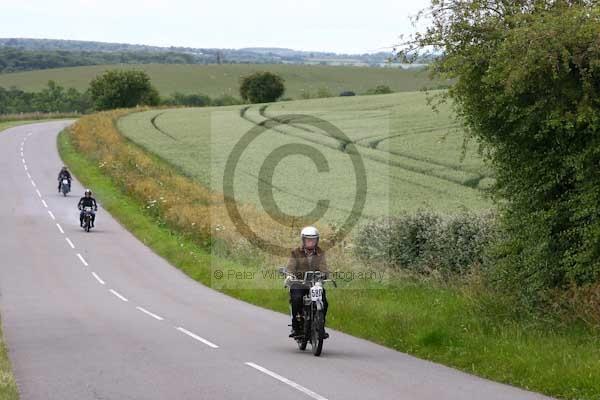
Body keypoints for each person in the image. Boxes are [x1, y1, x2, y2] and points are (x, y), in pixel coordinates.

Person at [286, 226, 329, 338]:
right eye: (308, 239)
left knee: (324, 301)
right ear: (303, 240)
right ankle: (296, 326)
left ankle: (320, 327)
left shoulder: (320, 253)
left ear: (317, 240)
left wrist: (324, 275)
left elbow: (324, 268)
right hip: (299, 283)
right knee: (296, 299)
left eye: (313, 239)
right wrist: (290, 275)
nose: (310, 242)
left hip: (315, 283)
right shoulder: (296, 252)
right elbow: (290, 267)